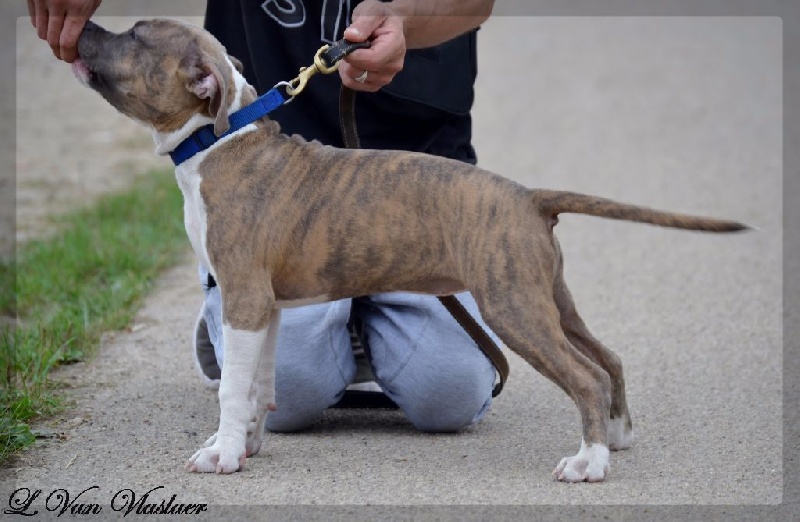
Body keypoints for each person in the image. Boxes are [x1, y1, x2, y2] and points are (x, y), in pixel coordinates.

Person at [31, 0, 501, 433]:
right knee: (290, 394)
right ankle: (238, 289)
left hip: (416, 195)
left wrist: (404, 19)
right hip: (266, 189)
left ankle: (351, 327)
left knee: (449, 393)